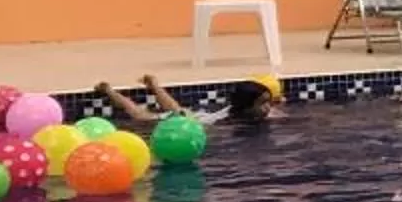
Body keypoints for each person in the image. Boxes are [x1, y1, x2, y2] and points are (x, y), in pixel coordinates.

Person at [103, 72, 281, 129]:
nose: (267, 108)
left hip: (197, 117)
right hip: (190, 123)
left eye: (269, 102)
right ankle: (108, 91)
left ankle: (154, 85)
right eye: (263, 103)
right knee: (141, 116)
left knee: (174, 108)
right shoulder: (234, 119)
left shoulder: (243, 110)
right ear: (247, 106)